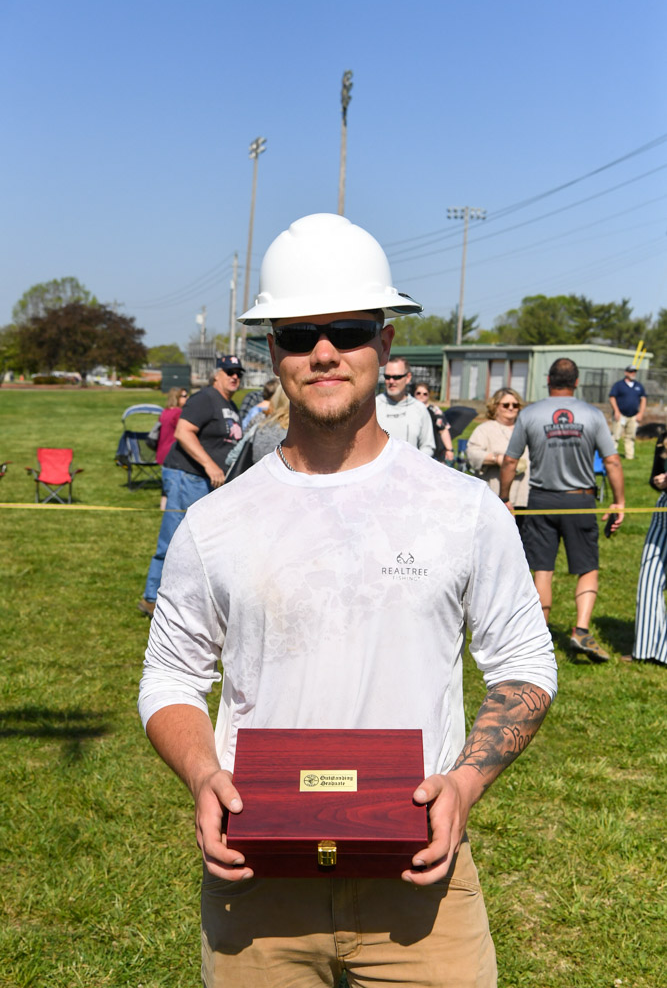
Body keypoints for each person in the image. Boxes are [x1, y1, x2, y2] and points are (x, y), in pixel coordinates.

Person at [138, 212, 557, 988]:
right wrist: (202, 777)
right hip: (255, 895)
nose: (324, 351)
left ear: (386, 342)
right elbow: (169, 677)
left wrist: (462, 786)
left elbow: (525, 664)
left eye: (348, 328)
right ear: (274, 352)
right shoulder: (216, 521)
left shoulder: (461, 509)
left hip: (422, 892)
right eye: (298, 335)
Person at [499, 358, 625, 664]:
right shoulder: (593, 415)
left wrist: (504, 497)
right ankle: (581, 629)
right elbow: (612, 462)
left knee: (543, 569)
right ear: (577, 382)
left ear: (548, 380)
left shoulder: (529, 414)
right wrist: (618, 500)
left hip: (541, 501)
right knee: (587, 568)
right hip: (580, 501)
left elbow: (510, 461)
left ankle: (541, 637)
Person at [137, 356, 243, 618]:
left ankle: (191, 599)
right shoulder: (205, 398)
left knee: (200, 544)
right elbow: (183, 432)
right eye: (229, 371)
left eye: (238, 372)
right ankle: (152, 597)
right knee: (175, 539)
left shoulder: (229, 404)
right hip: (188, 476)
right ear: (216, 374)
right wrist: (209, 465)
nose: (235, 376)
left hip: (207, 481)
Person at [631, 430, 667, 665]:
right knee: (649, 579)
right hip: (663, 513)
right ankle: (645, 649)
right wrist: (659, 482)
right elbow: (656, 476)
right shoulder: (663, 437)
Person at [466, 388, 530, 508]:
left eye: (515, 405)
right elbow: (472, 454)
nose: (511, 408)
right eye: (506, 405)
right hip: (496, 494)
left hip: (524, 495)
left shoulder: (526, 429)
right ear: (495, 407)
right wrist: (496, 459)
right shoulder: (484, 429)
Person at [375, 357, 435, 455]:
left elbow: (428, 446)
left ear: (408, 378)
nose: (391, 381)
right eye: (387, 376)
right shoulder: (374, 406)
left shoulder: (419, 408)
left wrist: (416, 464)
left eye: (397, 377)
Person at [156, 387, 189, 510]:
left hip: (161, 450)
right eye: (184, 396)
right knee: (175, 485)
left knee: (166, 485)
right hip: (173, 451)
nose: (187, 398)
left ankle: (163, 507)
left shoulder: (165, 412)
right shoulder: (178, 413)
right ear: (176, 398)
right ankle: (171, 509)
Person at [609, 365, 647, 460]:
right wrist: (616, 411)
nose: (633, 373)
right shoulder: (618, 385)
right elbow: (612, 397)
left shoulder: (638, 386)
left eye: (634, 372)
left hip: (633, 415)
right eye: (631, 371)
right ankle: (611, 455)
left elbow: (643, 399)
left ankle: (629, 456)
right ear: (626, 373)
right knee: (616, 436)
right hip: (620, 414)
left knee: (630, 437)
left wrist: (641, 413)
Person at [414, 381, 454, 463]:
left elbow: (443, 430)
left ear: (428, 395)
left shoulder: (435, 411)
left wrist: (449, 449)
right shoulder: (409, 410)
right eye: (418, 393)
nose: (421, 396)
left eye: (425, 394)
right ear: (414, 394)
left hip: (434, 452)